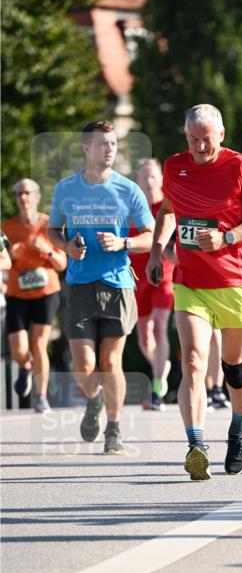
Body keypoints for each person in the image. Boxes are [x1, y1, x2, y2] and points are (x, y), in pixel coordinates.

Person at [146, 104, 242, 480]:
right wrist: (156, 251)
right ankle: (196, 445)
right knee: (192, 361)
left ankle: (238, 428)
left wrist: (226, 237)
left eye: (207, 139)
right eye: (193, 140)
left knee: (234, 367)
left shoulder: (241, 167)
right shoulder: (175, 167)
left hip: (235, 282)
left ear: (221, 134)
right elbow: (168, 210)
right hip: (190, 282)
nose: (200, 147)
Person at [48, 121, 154, 454]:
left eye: (113, 144)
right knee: (83, 365)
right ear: (85, 148)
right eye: (101, 144)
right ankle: (94, 400)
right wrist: (67, 248)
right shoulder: (66, 189)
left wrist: (124, 242)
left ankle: (114, 429)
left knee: (111, 362)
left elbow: (151, 236)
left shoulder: (128, 190)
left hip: (118, 285)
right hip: (79, 285)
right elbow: (53, 231)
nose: (109, 150)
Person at [4, 179, 67, 412]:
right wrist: (10, 257)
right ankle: (26, 365)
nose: (23, 197)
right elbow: (2, 262)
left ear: (37, 197)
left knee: (39, 344)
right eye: (19, 193)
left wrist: (48, 250)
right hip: (16, 293)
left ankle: (41, 397)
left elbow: (62, 264)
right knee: (18, 349)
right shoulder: (7, 228)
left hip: (46, 292)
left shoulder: (50, 225)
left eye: (28, 193)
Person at [130, 158, 175, 412]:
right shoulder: (132, 209)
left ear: (161, 179)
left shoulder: (168, 207)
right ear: (137, 181)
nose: (148, 182)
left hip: (162, 274)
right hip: (138, 278)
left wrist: (168, 250)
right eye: (144, 177)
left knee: (159, 328)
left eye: (153, 176)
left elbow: (176, 243)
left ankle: (157, 389)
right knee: (144, 338)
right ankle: (161, 365)